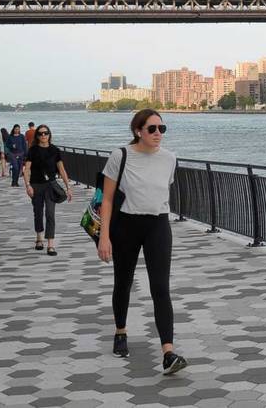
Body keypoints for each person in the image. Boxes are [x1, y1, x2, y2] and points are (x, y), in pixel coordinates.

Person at [96, 109, 187, 375]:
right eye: (152, 129)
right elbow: (107, 199)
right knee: (123, 281)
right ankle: (120, 331)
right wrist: (104, 237)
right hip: (126, 226)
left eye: (162, 129)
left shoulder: (169, 158)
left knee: (161, 288)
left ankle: (168, 352)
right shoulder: (120, 156)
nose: (158, 133)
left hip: (158, 225)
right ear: (138, 131)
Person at [21, 124, 73, 255]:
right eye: (40, 133)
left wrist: (68, 187)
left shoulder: (55, 150)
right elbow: (27, 169)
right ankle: (39, 238)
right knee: (38, 212)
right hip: (36, 185)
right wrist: (28, 185)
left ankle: (50, 244)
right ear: (37, 136)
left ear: (49, 135)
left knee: (50, 213)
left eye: (46, 133)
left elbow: (61, 169)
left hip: (50, 185)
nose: (43, 135)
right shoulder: (33, 150)